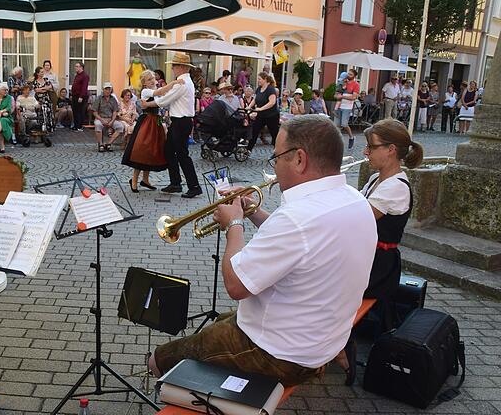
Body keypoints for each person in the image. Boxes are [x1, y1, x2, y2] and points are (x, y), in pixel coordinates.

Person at [147, 114, 377, 388]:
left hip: (279, 354)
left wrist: (234, 224)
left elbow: (236, 286)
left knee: (160, 359)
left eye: (277, 157)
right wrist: (252, 213)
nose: (275, 165)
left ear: (300, 159)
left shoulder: (297, 217)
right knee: (220, 322)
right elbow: (300, 243)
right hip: (321, 339)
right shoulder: (354, 200)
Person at [359, 118, 423, 336]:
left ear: (391, 150)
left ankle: (335, 346)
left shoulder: (396, 187)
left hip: (378, 268)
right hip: (366, 259)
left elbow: (357, 219)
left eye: (372, 147)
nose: (366, 152)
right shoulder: (376, 179)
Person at [141, 52, 202, 198]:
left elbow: (165, 100)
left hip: (181, 121)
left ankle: (194, 186)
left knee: (182, 155)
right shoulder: (185, 81)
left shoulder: (182, 83)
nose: (172, 68)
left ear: (181, 67)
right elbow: (167, 97)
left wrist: (147, 104)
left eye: (174, 66)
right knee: (169, 151)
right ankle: (175, 183)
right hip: (180, 121)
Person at [123, 70, 176, 193]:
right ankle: (134, 180)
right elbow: (161, 92)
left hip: (156, 122)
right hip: (147, 122)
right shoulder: (146, 91)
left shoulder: (155, 92)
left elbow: (162, 99)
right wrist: (174, 83)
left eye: (153, 78)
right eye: (149, 79)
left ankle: (145, 180)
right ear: (145, 84)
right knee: (142, 151)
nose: (152, 81)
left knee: (151, 152)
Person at [246, 71, 280, 152]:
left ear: (265, 79)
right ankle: (248, 150)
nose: (258, 81)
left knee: (274, 134)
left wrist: (261, 108)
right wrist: (249, 106)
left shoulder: (271, 89)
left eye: (259, 79)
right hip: (261, 115)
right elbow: (255, 99)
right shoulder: (259, 89)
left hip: (272, 116)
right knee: (254, 132)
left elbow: (272, 102)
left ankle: (277, 151)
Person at [92, 82, 124, 152]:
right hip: (100, 118)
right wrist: (101, 120)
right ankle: (100, 144)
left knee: (120, 127)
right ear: (103, 90)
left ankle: (108, 143)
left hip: (111, 119)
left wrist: (112, 121)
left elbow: (115, 111)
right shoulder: (99, 98)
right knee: (98, 125)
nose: (107, 91)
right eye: (106, 89)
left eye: (109, 89)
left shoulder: (113, 99)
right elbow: (94, 112)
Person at [336, 69, 360, 149]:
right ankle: (338, 142)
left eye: (350, 74)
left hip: (347, 107)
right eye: (348, 74)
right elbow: (336, 95)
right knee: (337, 125)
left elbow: (353, 97)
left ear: (354, 76)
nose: (348, 75)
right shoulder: (342, 82)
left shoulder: (356, 84)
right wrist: (338, 95)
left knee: (344, 124)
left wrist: (342, 96)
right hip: (339, 106)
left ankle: (351, 137)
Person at [31, 66, 54, 133]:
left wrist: (42, 89)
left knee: (48, 112)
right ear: (37, 73)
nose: (42, 73)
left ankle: (48, 128)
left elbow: (50, 87)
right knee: (41, 112)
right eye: (41, 72)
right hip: (39, 99)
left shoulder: (46, 79)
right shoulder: (35, 81)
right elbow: (36, 90)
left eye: (43, 72)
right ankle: (41, 128)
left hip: (46, 99)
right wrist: (44, 88)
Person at [71, 62, 90, 131]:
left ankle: (79, 126)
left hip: (80, 97)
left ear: (81, 67)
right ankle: (76, 126)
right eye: (75, 66)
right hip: (75, 96)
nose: (75, 68)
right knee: (75, 111)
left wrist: (81, 97)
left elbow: (84, 87)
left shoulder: (85, 76)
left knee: (80, 111)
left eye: (77, 66)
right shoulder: (77, 75)